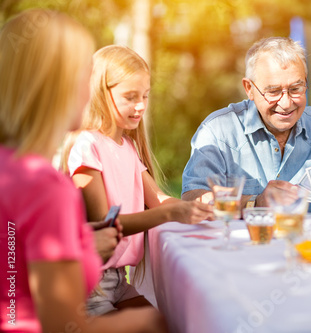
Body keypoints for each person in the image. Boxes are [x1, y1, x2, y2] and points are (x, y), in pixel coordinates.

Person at [0, 9, 165, 333]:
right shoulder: (45, 187)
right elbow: (61, 325)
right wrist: (150, 322)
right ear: (57, 88)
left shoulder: (12, 169)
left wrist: (82, 245)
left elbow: (13, 278)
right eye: (84, 77)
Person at [65, 45, 213, 316]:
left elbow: (156, 198)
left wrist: (196, 207)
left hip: (119, 279)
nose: (141, 105)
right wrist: (169, 213)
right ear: (101, 93)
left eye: (145, 95)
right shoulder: (87, 145)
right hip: (89, 284)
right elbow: (104, 225)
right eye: (130, 97)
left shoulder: (128, 147)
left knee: (170, 320)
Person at [181, 36, 311, 212]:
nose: (286, 103)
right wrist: (254, 202)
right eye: (274, 91)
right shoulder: (218, 131)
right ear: (249, 89)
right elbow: (193, 199)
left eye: (295, 89)